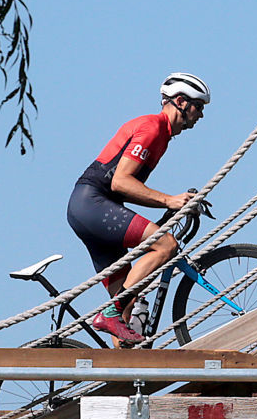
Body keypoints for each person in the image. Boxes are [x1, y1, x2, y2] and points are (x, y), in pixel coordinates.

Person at [66, 72, 210, 345]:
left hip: (90, 208)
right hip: (93, 203)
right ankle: (111, 315)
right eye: (198, 107)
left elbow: (126, 186)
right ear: (180, 102)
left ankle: (122, 377)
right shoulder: (152, 127)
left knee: (125, 309)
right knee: (166, 246)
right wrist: (169, 200)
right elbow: (121, 181)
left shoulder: (163, 135)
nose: (200, 115)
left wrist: (169, 207)